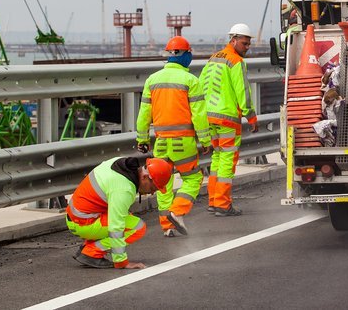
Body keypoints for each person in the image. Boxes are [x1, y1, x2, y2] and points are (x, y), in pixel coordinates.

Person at [136, 35, 211, 236]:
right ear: (185, 55)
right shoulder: (191, 80)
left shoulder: (152, 80)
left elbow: (144, 114)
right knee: (193, 179)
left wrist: (142, 139)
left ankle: (167, 227)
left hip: (161, 142)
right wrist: (205, 140)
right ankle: (177, 212)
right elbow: (199, 114)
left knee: (162, 183)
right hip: (183, 142)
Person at [67, 156, 172, 269]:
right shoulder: (124, 189)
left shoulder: (121, 165)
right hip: (83, 223)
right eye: (153, 188)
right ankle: (91, 252)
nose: (152, 193)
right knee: (138, 227)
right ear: (145, 177)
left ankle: (87, 247)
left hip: (79, 216)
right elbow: (116, 226)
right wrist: (121, 262)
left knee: (126, 217)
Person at [199, 23, 258, 216]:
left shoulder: (213, 58)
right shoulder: (236, 61)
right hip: (227, 119)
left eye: (248, 44)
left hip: (209, 117)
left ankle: (213, 201)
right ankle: (223, 205)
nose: (247, 47)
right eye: (244, 43)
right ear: (233, 40)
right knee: (226, 160)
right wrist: (251, 116)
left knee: (217, 158)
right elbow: (243, 91)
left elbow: (201, 86)